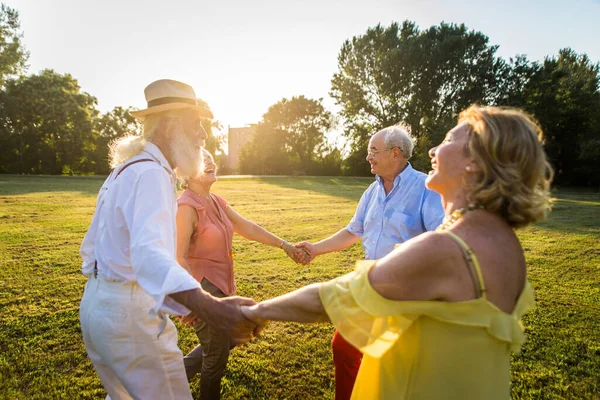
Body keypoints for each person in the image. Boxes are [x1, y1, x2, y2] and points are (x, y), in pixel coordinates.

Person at [242, 105, 553, 399]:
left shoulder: (443, 248)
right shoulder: (506, 244)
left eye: (446, 141)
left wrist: (254, 312)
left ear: (474, 160)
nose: (432, 150)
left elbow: (330, 299)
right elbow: (356, 230)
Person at [79, 79, 258, 400]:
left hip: (97, 306)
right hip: (129, 317)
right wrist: (211, 306)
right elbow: (150, 256)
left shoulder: (125, 169)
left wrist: (182, 300)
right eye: (196, 125)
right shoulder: (152, 173)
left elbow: (94, 248)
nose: (204, 135)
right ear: (171, 126)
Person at [296, 125, 444, 400]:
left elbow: (441, 239)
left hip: (407, 292)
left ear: (395, 153)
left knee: (398, 365)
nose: (368, 157)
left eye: (373, 151)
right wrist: (315, 248)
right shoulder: (371, 192)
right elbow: (354, 231)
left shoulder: (425, 189)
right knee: (344, 347)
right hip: (369, 284)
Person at [175, 149, 306, 399]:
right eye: (204, 161)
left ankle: (172, 376)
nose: (212, 162)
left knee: (227, 339)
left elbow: (246, 226)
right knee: (216, 356)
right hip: (202, 287)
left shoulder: (216, 201)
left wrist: (285, 246)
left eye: (212, 158)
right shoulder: (186, 207)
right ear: (187, 173)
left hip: (222, 285)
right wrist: (193, 298)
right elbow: (178, 256)